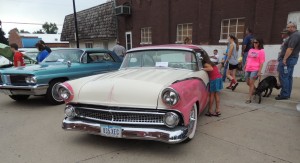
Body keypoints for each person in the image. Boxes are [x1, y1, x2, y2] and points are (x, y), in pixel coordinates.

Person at [276, 22, 300, 100]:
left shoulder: (295, 35)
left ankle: (284, 94)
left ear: (293, 27)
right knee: (288, 77)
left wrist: (284, 59)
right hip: (291, 59)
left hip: (288, 59)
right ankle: (287, 94)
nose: (287, 29)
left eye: (288, 27)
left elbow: (290, 48)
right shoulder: (295, 35)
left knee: (284, 77)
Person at [244, 38, 265, 104]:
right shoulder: (250, 50)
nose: (255, 44)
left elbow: (261, 62)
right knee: (248, 82)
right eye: (254, 42)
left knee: (251, 83)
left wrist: (259, 71)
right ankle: (256, 90)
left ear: (260, 43)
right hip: (248, 68)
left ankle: (249, 98)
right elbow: (248, 58)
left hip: (255, 69)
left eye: (257, 42)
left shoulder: (261, 51)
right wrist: (245, 65)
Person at [201, 52, 223, 116]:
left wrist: (202, 69)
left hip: (214, 79)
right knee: (217, 94)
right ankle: (217, 110)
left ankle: (210, 110)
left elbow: (210, 69)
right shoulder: (211, 62)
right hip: (218, 78)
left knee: (211, 95)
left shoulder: (206, 64)